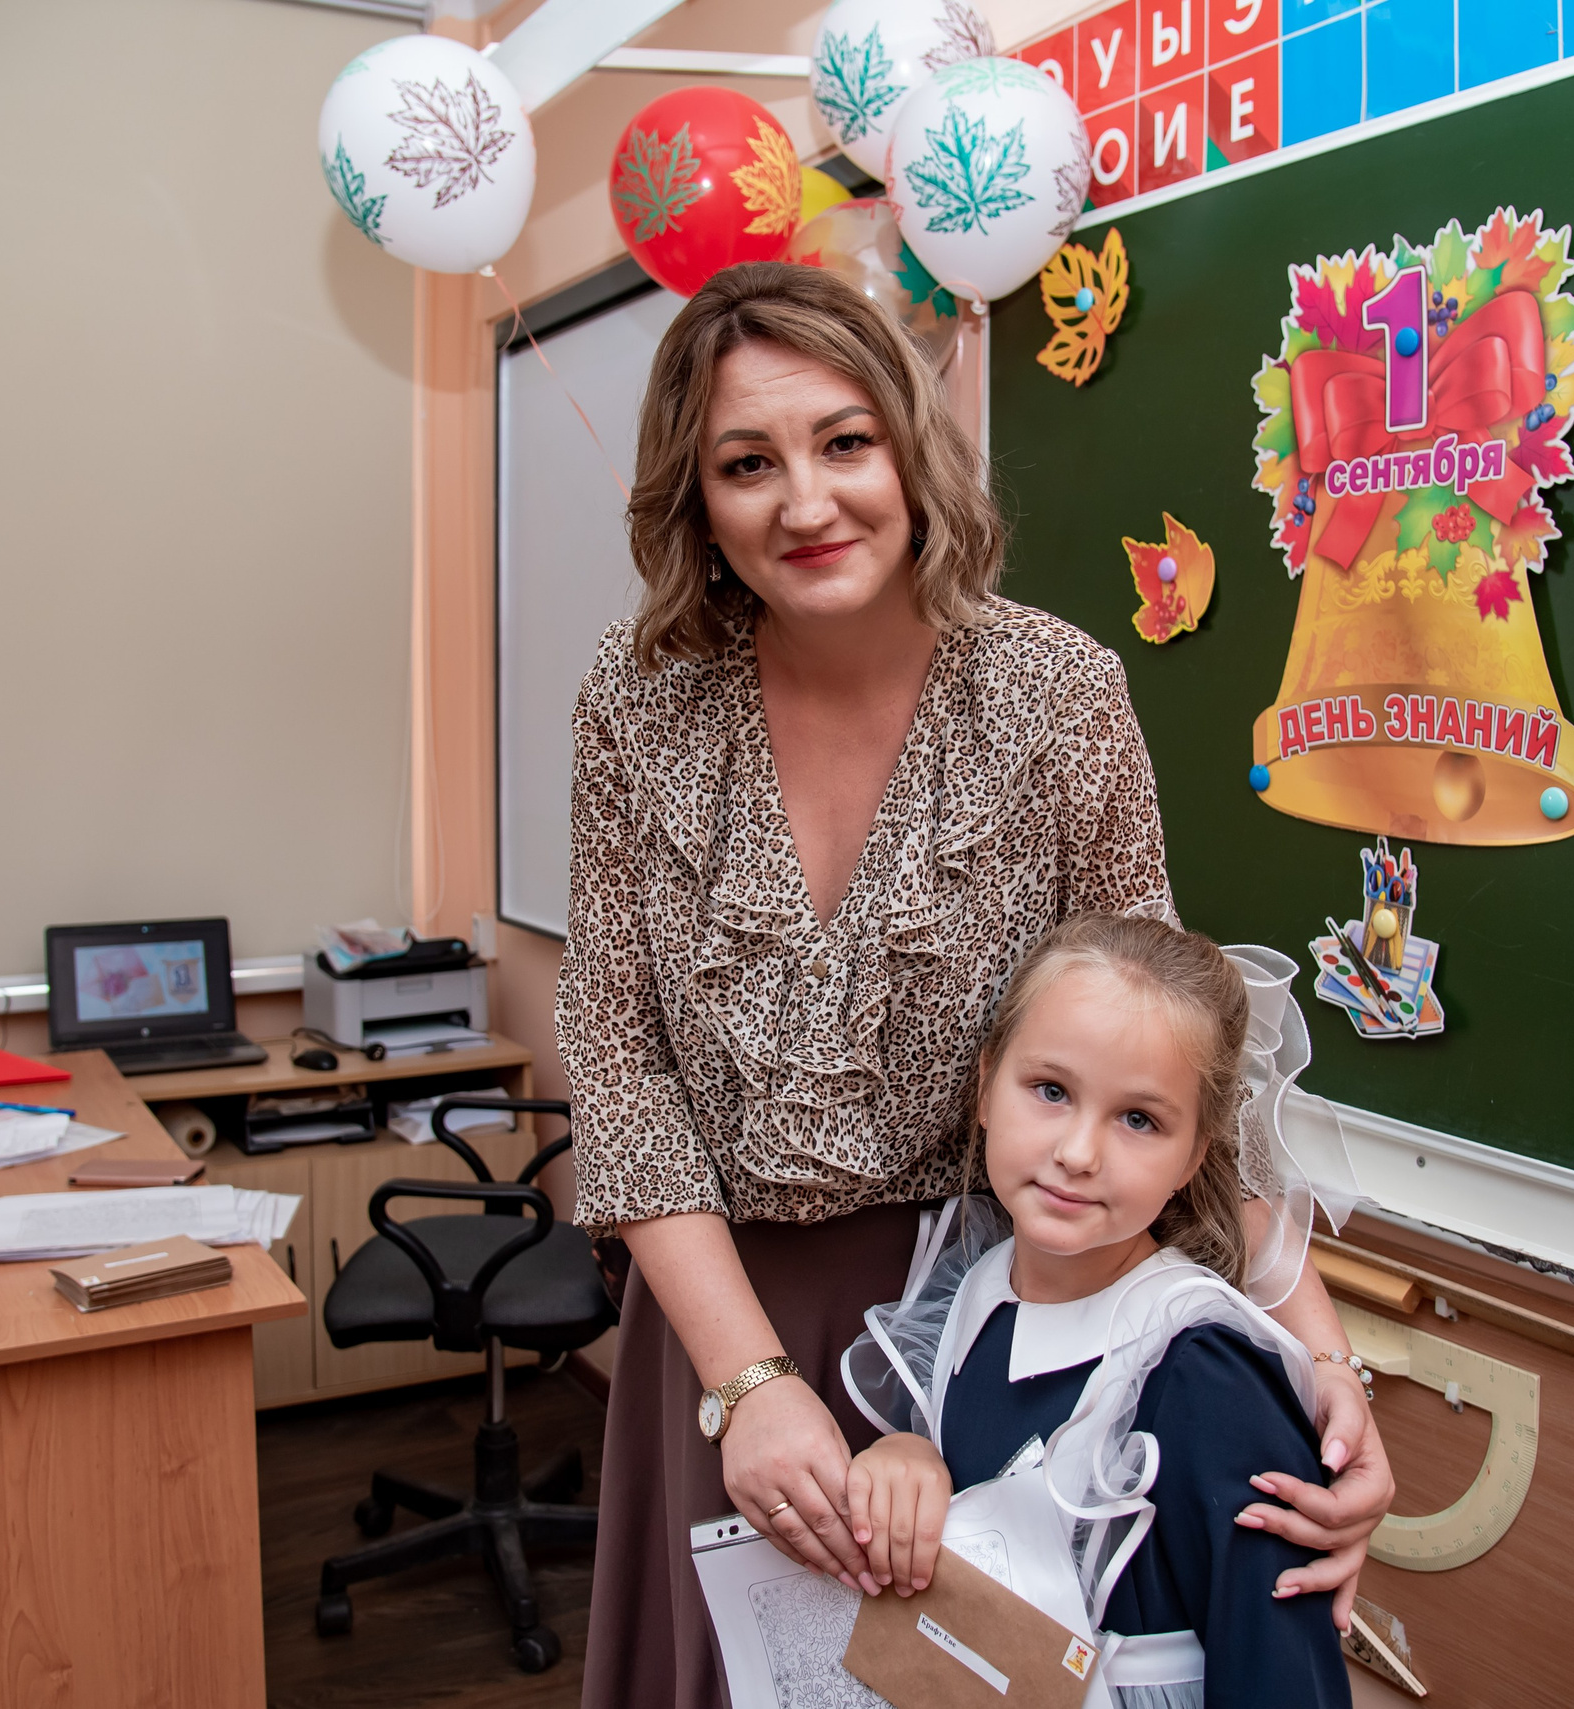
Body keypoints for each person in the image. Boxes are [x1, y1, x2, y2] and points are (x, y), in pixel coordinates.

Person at [557, 261, 1389, 1709]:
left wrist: (1326, 1372)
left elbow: (1174, 1044)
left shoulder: (1059, 695)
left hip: (995, 1331)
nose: (805, 501)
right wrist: (749, 1388)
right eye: (747, 463)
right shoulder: (634, 710)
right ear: (695, 503)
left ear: (910, 448)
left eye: (844, 441)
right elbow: (621, 1058)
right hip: (715, 1325)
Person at [840, 913, 1351, 1708]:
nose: (1079, 1152)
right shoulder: (974, 1291)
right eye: (1051, 1090)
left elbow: (1282, 1673)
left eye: (1138, 1119)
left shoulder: (1203, 1373)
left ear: (1193, 1153)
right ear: (984, 1088)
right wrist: (910, 1460)